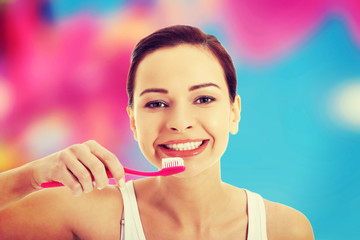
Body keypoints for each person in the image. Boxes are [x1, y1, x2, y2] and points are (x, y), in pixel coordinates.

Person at [0, 25, 314, 240]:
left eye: (203, 99)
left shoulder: (286, 228)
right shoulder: (85, 211)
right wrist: (34, 173)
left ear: (234, 112)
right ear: (134, 122)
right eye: (156, 103)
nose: (180, 122)